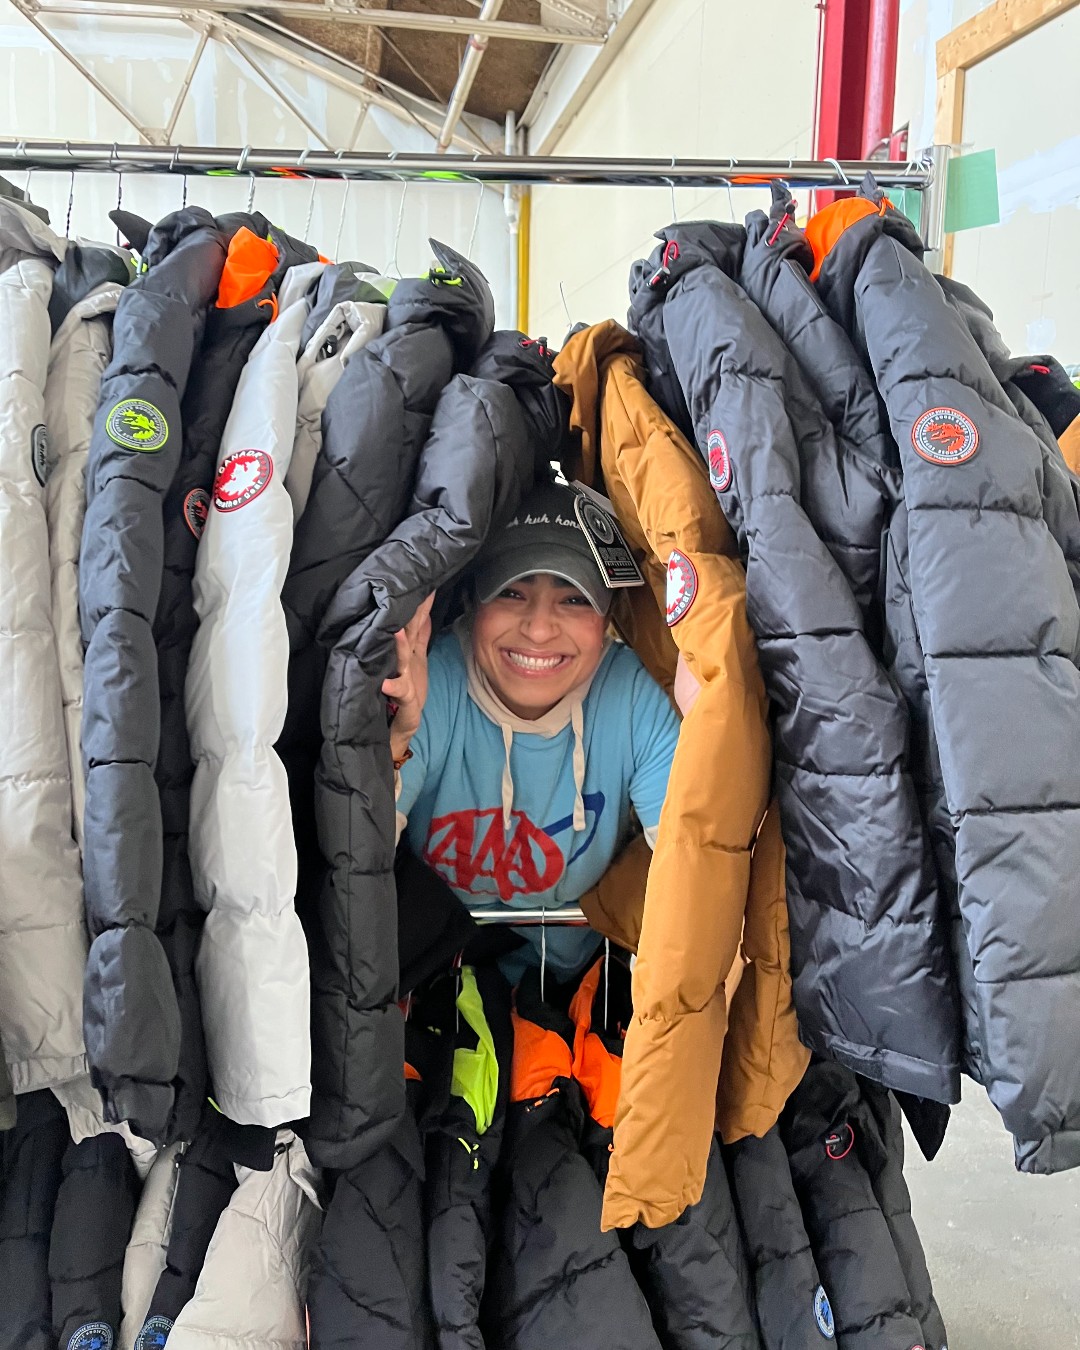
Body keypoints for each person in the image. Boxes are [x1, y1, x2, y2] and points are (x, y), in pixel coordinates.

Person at [384, 479, 680, 981]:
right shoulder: (434, 678)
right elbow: (360, 857)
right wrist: (394, 737)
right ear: (475, 600)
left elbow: (687, 864)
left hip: (572, 984)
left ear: (608, 616)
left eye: (573, 599)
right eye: (512, 591)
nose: (539, 629)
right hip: (431, 974)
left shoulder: (632, 693)